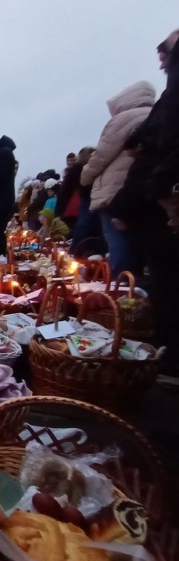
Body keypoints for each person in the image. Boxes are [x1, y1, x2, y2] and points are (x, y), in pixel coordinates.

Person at [107, 29, 179, 389]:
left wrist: (138, 196)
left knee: (162, 277)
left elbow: (157, 151)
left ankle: (167, 356)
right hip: (155, 195)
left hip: (160, 198)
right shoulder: (161, 101)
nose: (161, 59)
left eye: (165, 51)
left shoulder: (167, 101)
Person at [81, 80, 156, 278]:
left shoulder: (124, 119)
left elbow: (102, 155)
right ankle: (137, 295)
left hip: (116, 193)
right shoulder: (157, 114)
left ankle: (118, 296)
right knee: (141, 248)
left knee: (119, 247)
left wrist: (85, 175)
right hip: (144, 191)